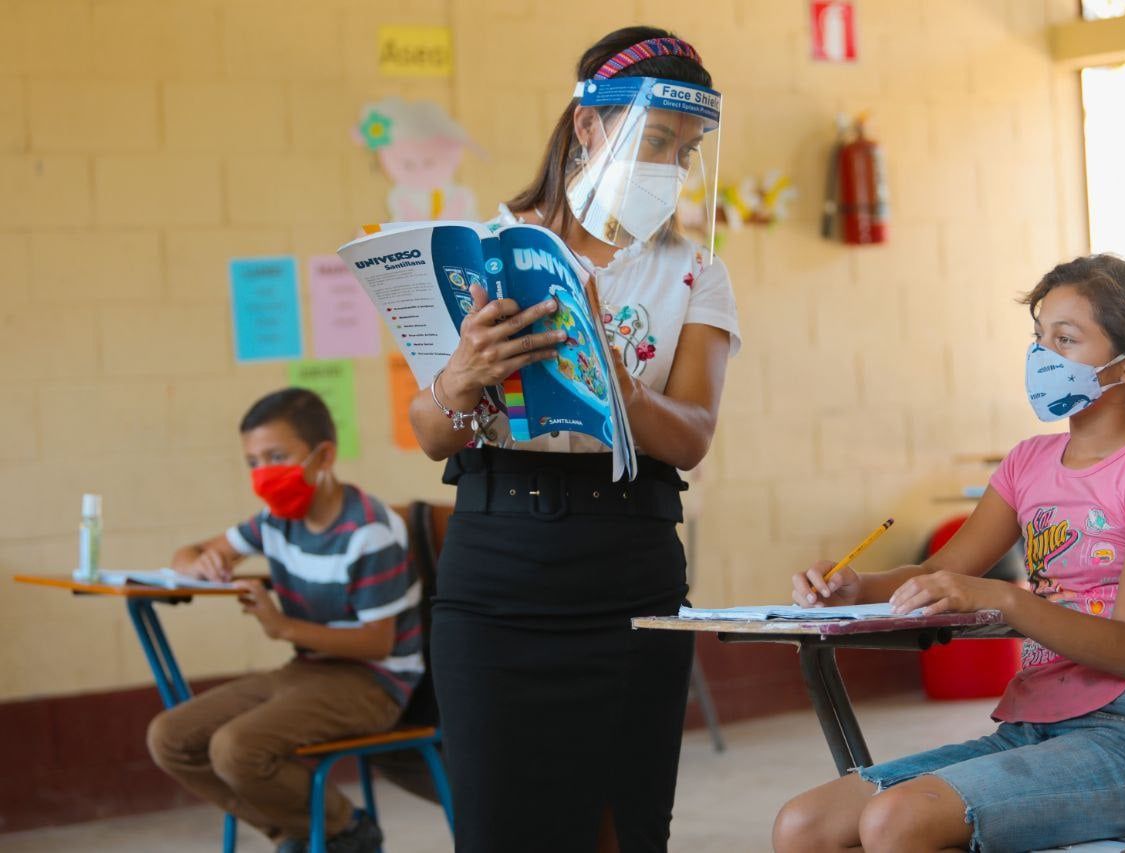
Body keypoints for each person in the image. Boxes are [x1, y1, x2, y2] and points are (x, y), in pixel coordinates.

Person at [409, 26, 739, 853]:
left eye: (687, 147)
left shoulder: (693, 270)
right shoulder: (480, 253)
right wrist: (460, 376)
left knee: (626, 829)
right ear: (588, 126)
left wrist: (617, 382)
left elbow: (694, 433)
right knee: (499, 828)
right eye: (655, 139)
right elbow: (429, 434)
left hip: (629, 571)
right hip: (495, 578)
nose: (671, 164)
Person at [774, 254, 1125, 853]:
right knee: (803, 826)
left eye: (1066, 340)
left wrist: (1005, 599)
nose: (1041, 357)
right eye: (1039, 338)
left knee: (895, 821)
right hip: (1031, 727)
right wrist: (857, 585)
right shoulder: (1028, 462)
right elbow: (941, 573)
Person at [147, 388, 420, 853]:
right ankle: (314, 832)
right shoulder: (275, 521)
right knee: (170, 737)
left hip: (375, 682)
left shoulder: (368, 530)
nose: (263, 473)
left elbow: (378, 643)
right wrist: (199, 563)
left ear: (324, 455)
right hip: (308, 671)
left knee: (237, 749)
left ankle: (342, 831)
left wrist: (281, 628)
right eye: (253, 461)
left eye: (276, 456)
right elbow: (188, 552)